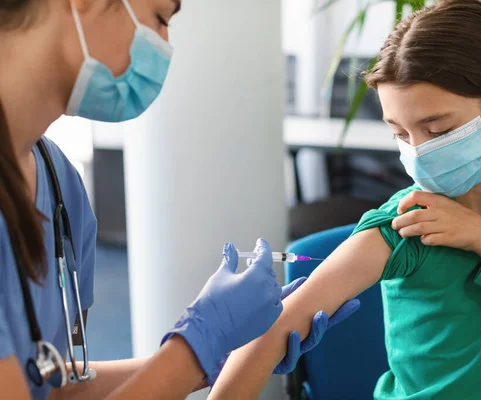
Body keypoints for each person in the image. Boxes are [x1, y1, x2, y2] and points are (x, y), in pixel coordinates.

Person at [207, 1, 481, 399]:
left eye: (437, 128)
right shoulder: (408, 223)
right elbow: (272, 332)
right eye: (400, 133)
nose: (417, 152)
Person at [0, 0, 360, 399]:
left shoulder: (58, 181)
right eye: (159, 18)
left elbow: (52, 389)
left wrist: (219, 354)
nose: (163, 46)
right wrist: (196, 347)